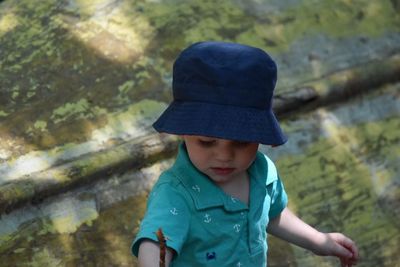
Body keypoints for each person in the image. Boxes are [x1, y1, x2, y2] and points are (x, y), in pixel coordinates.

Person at [131, 41, 359, 267]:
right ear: (183, 132)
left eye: (241, 143)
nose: (224, 156)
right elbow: (156, 242)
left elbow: (272, 214)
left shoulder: (263, 172)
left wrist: (318, 240)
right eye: (207, 142)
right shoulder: (175, 192)